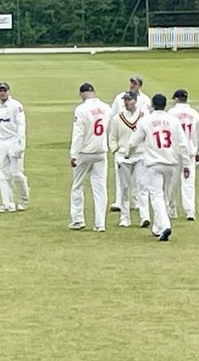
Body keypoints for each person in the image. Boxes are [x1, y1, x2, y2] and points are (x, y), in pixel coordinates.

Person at [124, 92, 189, 241]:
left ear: (152, 105)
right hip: (171, 162)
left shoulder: (146, 121)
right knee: (165, 196)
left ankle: (165, 226)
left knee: (156, 196)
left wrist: (128, 153)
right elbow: (183, 144)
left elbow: (134, 141)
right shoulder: (173, 121)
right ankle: (158, 227)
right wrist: (185, 163)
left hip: (154, 163)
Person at [68, 82, 112, 231]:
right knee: (100, 188)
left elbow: (78, 134)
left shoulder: (81, 109)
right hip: (101, 151)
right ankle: (100, 224)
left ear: (82, 94)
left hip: (84, 153)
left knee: (77, 186)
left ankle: (78, 219)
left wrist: (73, 154)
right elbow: (109, 129)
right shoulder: (106, 108)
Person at [0, 81, 30, 213]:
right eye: (0, 91)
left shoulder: (16, 106)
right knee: (3, 174)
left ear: (8, 91)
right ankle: (7, 204)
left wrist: (20, 144)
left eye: (4, 90)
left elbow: (21, 125)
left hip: (15, 140)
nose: (2, 93)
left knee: (16, 174)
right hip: (2, 142)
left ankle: (24, 200)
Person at [109, 74, 151, 212]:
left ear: (140, 85)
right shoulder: (119, 97)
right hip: (122, 138)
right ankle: (119, 201)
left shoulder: (145, 100)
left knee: (139, 178)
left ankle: (137, 202)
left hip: (139, 144)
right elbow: (113, 116)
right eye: (131, 82)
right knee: (122, 177)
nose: (132, 85)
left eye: (135, 83)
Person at [168, 88, 199, 221]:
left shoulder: (171, 113)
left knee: (172, 183)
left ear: (176, 99)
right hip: (189, 152)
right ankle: (190, 211)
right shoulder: (194, 114)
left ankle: (171, 209)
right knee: (188, 182)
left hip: (175, 153)